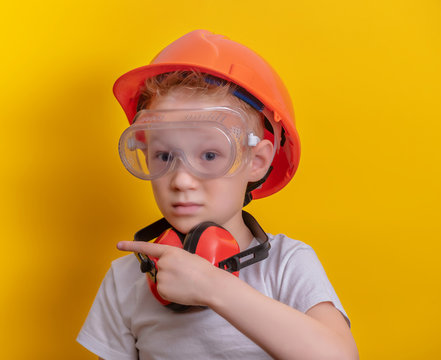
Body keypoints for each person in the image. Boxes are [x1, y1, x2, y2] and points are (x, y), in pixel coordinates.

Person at [77, 30, 358, 359]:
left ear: (257, 161)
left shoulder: (287, 264)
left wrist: (213, 287)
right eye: (164, 156)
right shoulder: (127, 279)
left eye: (209, 155)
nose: (181, 179)